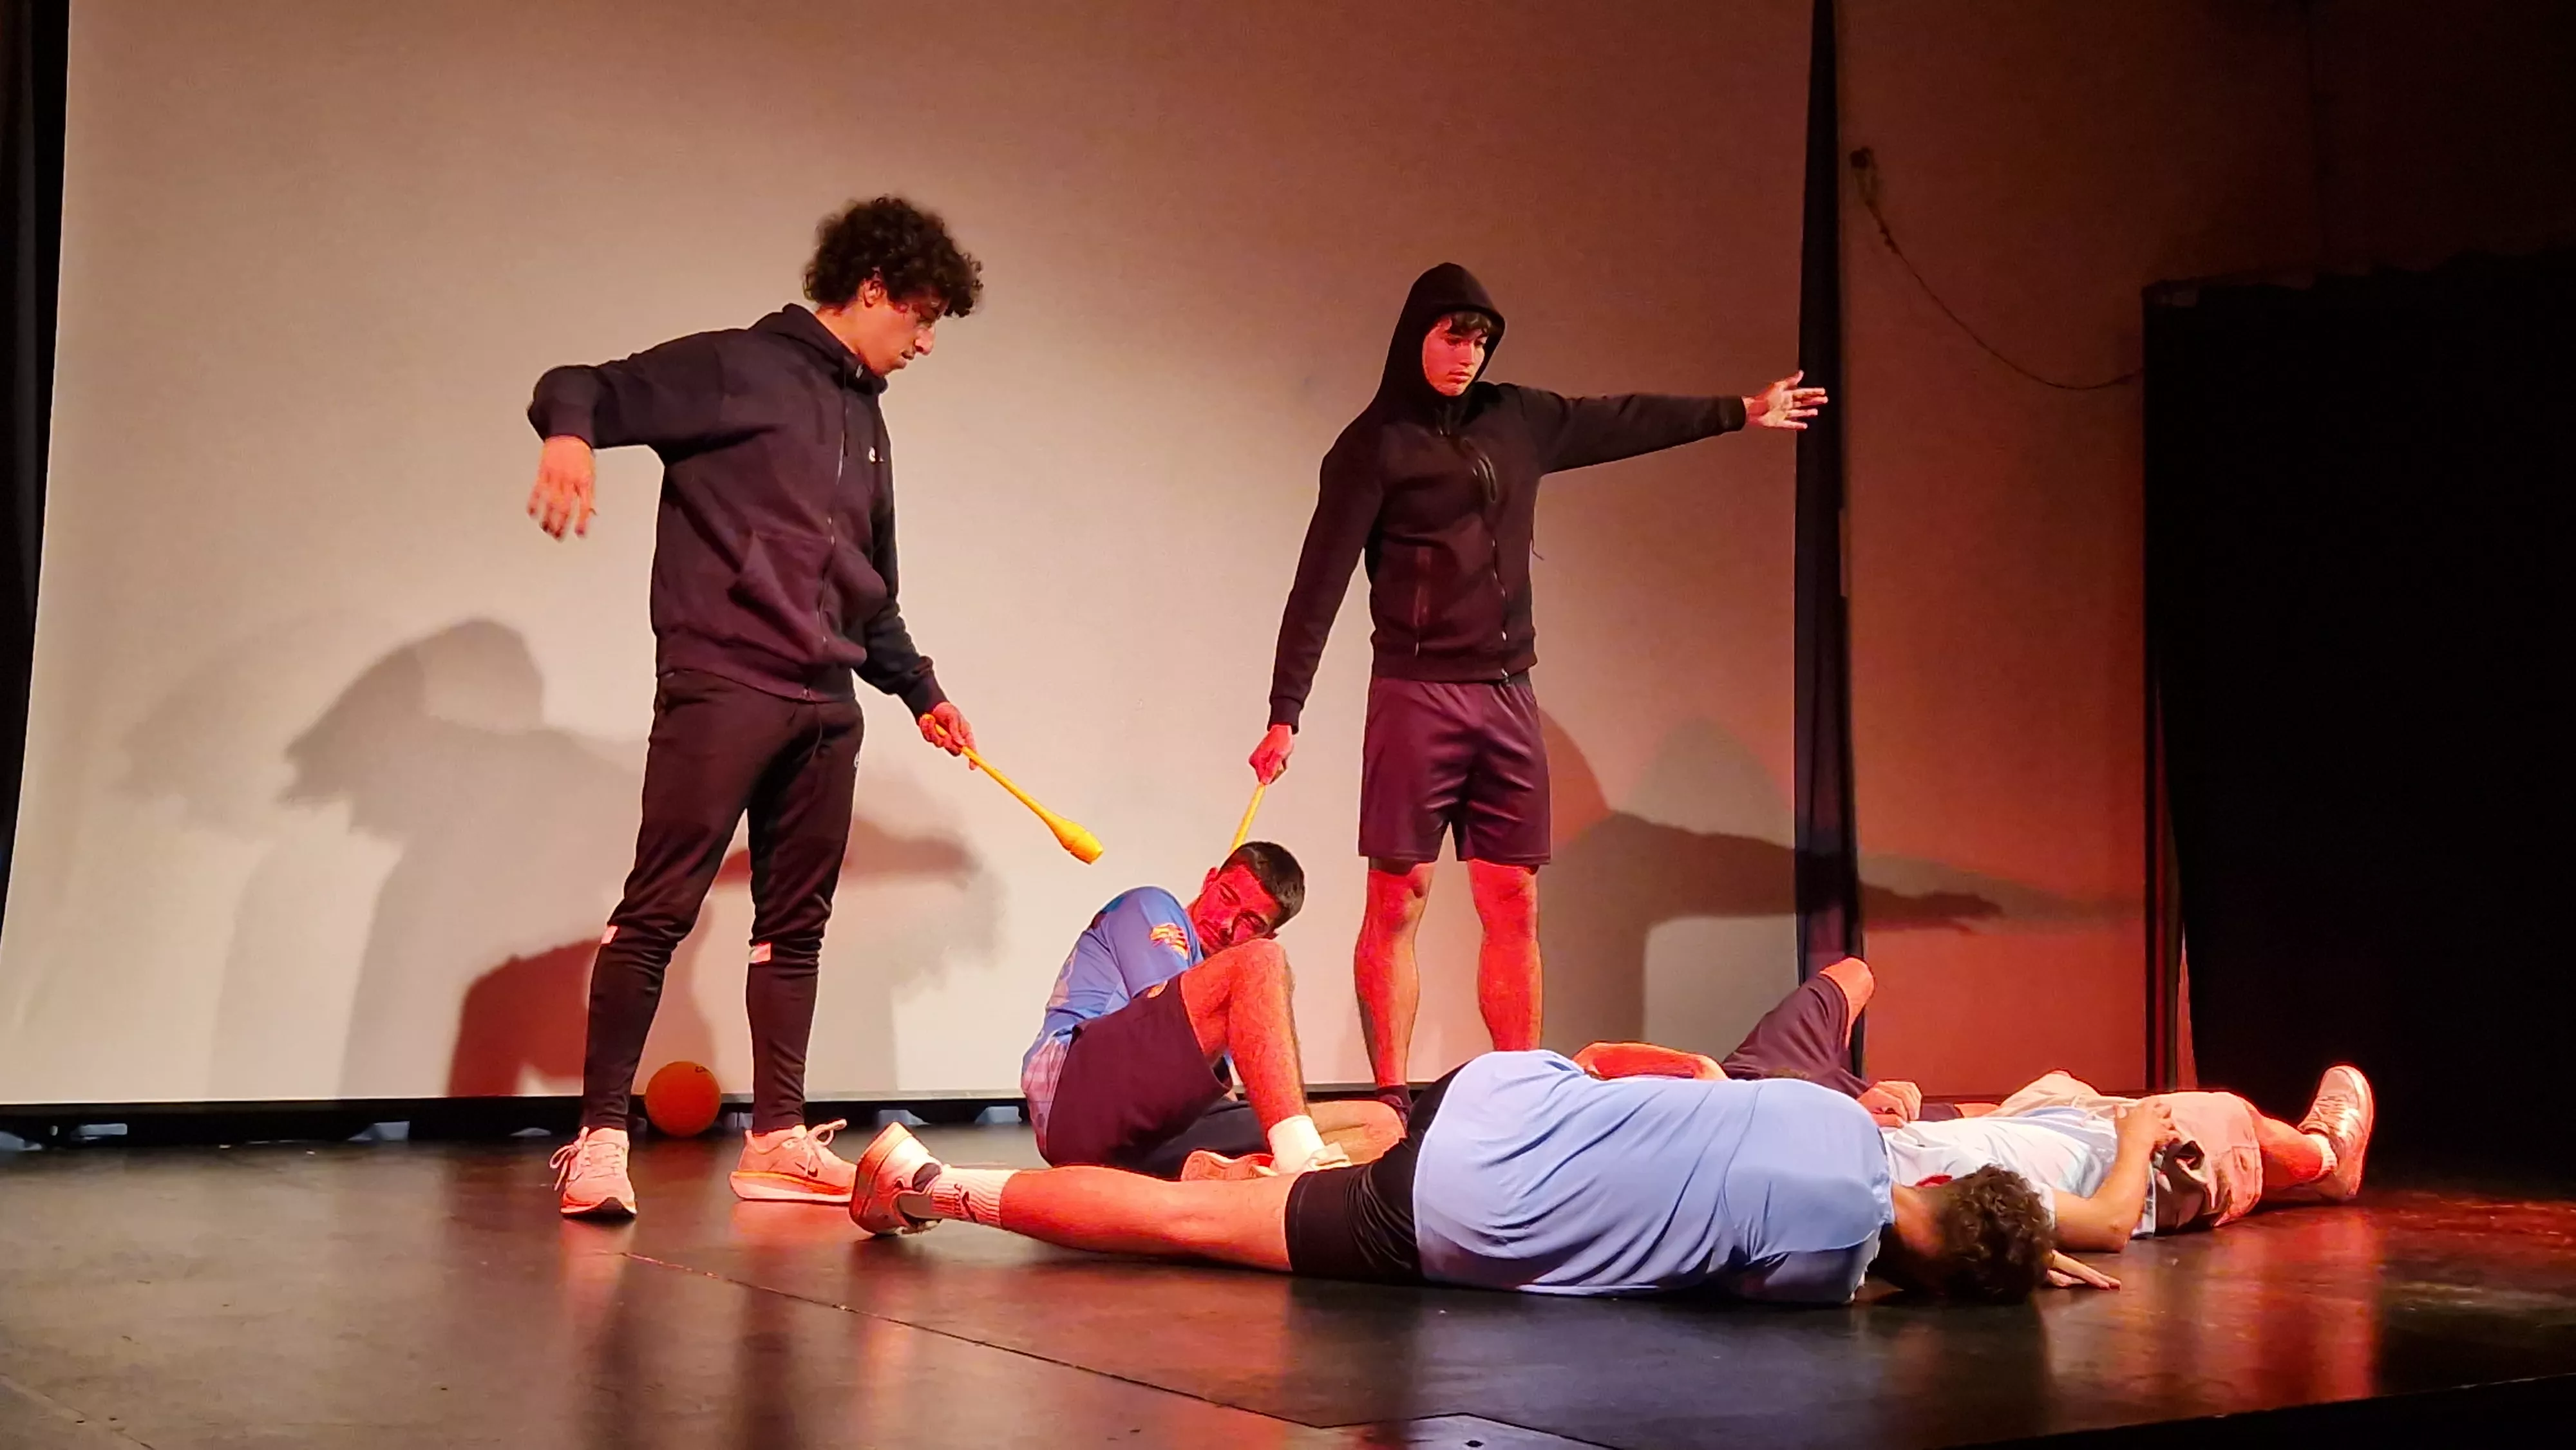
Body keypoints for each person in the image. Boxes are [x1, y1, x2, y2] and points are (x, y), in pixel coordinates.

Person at [1248, 263, 1830, 1121]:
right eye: (1453, 336)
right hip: (1417, 693)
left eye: (1480, 340)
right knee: (1399, 893)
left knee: (1512, 896)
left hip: (1507, 694)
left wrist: (1740, 411)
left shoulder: (1518, 419)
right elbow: (1318, 585)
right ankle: (1387, 1100)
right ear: (1417, 334)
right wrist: (1284, 713)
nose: (1467, 355)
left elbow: (1622, 419)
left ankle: (1520, 1096)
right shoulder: (1373, 446)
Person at [529, 197, 985, 1219]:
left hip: (825, 705)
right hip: (724, 681)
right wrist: (570, 438)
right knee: (660, 909)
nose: (923, 343)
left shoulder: (867, 421)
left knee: (794, 930)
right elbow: (581, 386)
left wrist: (923, 692)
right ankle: (599, 1137)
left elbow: (873, 590)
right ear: (870, 288)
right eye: (918, 318)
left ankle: (778, 1137)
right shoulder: (740, 366)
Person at [848, 1047, 2060, 1306]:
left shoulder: (1829, 1108)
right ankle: (932, 1182)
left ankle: (1256, 1164)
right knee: (1183, 1228)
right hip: (1457, 1213)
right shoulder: (1827, 1271)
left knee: (1366, 1142)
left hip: (1497, 1093)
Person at [1587, 957, 2378, 1259]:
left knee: (2036, 1096)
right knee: (2225, 1117)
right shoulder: (1915, 1196)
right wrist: (2137, 1137)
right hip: (2121, 1164)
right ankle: (2319, 1159)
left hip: (2041, 1126)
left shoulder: (1843, 1142)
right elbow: (2103, 1223)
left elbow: (1618, 1065)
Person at [1020, 842, 1402, 1181]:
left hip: (1145, 1137)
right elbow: (1164, 1017)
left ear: (1267, 931)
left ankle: (1218, 1177)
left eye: (1250, 923)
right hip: (1075, 1097)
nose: (1225, 923)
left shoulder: (1222, 995)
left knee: (1379, 1127)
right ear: (1209, 879)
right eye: (1226, 896)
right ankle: (1299, 1165)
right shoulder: (1153, 906)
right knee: (1259, 963)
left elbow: (1215, 1088)